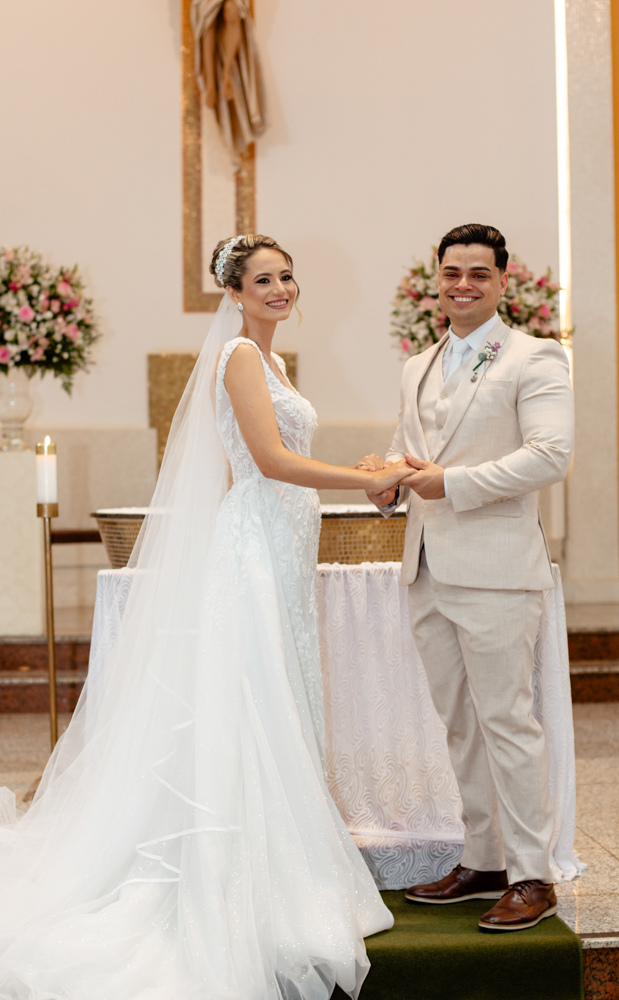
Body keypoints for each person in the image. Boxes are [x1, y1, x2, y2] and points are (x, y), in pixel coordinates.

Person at [0, 235, 405, 999]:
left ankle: (281, 859)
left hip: (283, 540)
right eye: (263, 279)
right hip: (254, 545)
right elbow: (271, 461)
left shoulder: (269, 360)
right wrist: (361, 479)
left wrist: (361, 469)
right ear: (234, 293)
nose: (280, 288)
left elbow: (286, 457)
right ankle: (240, 875)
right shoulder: (240, 358)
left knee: (279, 695)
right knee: (253, 699)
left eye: (286, 276)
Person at [360, 223, 575, 932]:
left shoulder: (534, 356)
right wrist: (387, 479)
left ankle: (532, 874)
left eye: (478, 274)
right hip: (427, 564)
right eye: (452, 272)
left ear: (502, 281)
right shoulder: (417, 365)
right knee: (460, 723)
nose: (463, 285)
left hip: (496, 567)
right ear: (437, 278)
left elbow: (550, 455)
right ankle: (484, 859)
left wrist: (450, 482)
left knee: (507, 721)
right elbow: (411, 451)